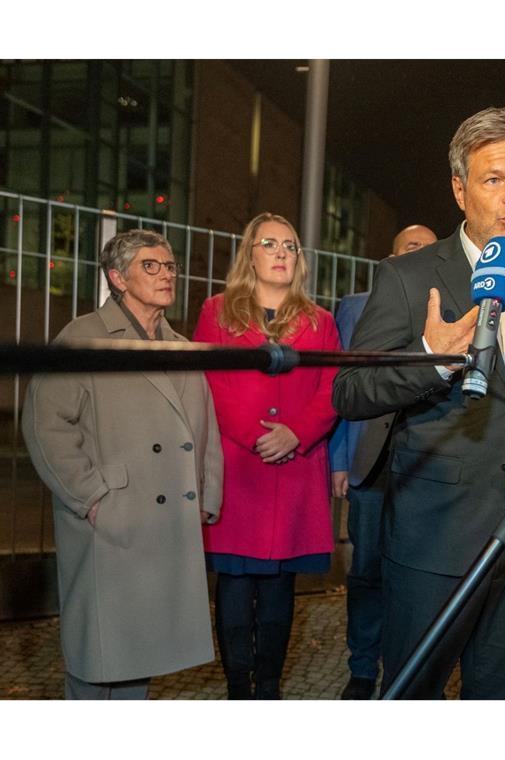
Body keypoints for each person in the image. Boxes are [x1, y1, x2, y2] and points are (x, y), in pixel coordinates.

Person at [332, 107, 505, 699]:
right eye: (494, 179)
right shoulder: (408, 277)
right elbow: (351, 392)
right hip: (431, 539)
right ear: (459, 189)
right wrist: (431, 356)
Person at [22, 229, 221, 699]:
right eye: (150, 265)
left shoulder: (182, 345)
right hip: (112, 520)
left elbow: (204, 428)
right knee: (99, 655)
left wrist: (204, 498)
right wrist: (91, 497)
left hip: (165, 522)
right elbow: (46, 424)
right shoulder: (84, 335)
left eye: (169, 265)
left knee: (142, 652)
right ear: (118, 277)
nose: (166, 274)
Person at [193, 212, 340, 699]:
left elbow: (331, 389)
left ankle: (270, 689)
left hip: (296, 469)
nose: (280, 252)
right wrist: (256, 436)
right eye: (269, 243)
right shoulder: (217, 311)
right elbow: (208, 383)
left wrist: (296, 433)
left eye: (290, 246)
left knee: (279, 589)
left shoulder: (322, 321)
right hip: (239, 472)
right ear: (250, 254)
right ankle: (239, 688)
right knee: (234, 585)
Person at [330, 223, 437, 700]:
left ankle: (407, 669)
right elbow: (340, 387)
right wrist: (339, 459)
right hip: (370, 462)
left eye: (428, 251)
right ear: (390, 259)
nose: (420, 257)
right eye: (410, 248)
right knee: (365, 571)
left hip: (426, 465)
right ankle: (361, 668)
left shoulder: (453, 305)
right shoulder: (353, 308)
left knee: (415, 575)